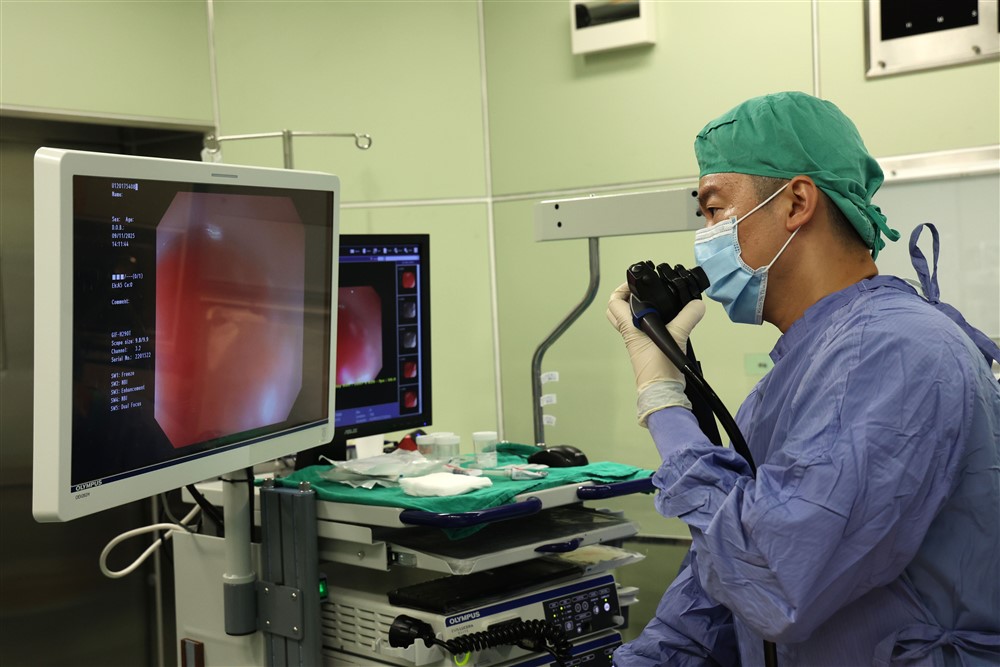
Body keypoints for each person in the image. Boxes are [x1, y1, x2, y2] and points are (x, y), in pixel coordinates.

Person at [606, 91, 1000, 666]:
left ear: (795, 203)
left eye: (713, 210)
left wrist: (665, 403)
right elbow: (712, 601)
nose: (705, 238)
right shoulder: (798, 376)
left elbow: (772, 582)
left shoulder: (895, 353)